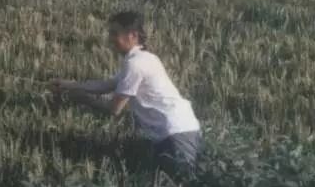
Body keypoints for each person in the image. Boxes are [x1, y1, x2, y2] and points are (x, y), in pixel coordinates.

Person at [51, 11, 202, 175]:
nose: (110, 39)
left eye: (115, 33)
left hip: (175, 134)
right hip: (175, 130)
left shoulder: (135, 65)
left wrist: (83, 99)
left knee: (180, 186)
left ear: (133, 35)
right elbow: (106, 85)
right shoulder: (144, 58)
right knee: (169, 186)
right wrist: (69, 85)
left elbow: (114, 109)